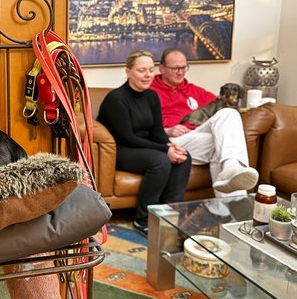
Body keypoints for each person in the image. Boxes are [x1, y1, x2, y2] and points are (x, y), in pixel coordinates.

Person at [97, 50, 191, 235]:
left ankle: (169, 215)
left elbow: (157, 131)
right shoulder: (116, 99)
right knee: (161, 161)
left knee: (183, 157)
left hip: (144, 147)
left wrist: (170, 146)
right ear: (128, 71)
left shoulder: (152, 96)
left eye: (150, 70)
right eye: (141, 70)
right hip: (121, 150)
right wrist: (164, 151)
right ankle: (143, 220)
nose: (147, 75)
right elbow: (127, 138)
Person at [151, 48, 258, 198]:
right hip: (171, 140)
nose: (180, 72)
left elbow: (220, 104)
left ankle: (231, 166)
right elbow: (141, 125)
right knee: (219, 145)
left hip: (196, 134)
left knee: (229, 113)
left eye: (183, 68)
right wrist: (167, 130)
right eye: (175, 68)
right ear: (161, 68)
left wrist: (255, 107)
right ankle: (236, 213)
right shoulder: (149, 90)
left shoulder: (194, 91)